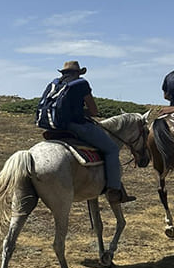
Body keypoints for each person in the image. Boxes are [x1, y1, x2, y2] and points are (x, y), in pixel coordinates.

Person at [44, 61, 135, 203]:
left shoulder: (55, 84)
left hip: (54, 127)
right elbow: (94, 111)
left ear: (63, 73)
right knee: (111, 149)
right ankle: (114, 190)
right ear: (78, 73)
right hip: (75, 126)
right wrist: (81, 112)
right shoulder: (81, 84)